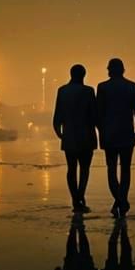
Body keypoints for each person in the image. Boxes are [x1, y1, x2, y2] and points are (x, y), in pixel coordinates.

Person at [94, 57, 135, 217]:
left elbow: (97, 114)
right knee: (125, 170)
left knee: (111, 169)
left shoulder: (102, 87)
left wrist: (101, 130)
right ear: (123, 69)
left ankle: (120, 201)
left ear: (109, 70)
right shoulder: (131, 87)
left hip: (109, 135)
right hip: (126, 135)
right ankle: (122, 200)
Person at [52, 63, 98, 213]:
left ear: (71, 74)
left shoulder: (62, 91)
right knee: (84, 169)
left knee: (71, 169)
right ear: (83, 75)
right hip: (86, 136)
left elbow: (57, 116)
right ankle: (80, 196)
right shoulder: (89, 91)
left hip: (69, 135)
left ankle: (74, 199)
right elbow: (94, 115)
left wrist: (60, 133)